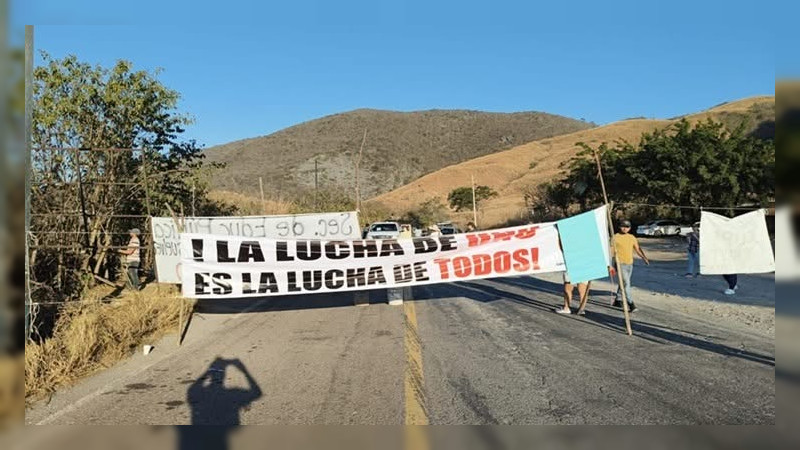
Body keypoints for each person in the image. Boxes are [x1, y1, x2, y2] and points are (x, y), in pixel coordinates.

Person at [611, 219, 649, 312]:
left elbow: (637, 249)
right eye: (623, 226)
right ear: (619, 227)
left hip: (629, 264)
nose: (625, 228)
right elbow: (611, 251)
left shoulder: (631, 237)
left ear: (630, 228)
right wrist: (610, 264)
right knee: (626, 283)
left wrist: (644, 258)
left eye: (627, 227)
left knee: (624, 283)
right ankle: (631, 304)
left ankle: (617, 300)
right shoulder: (615, 237)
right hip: (619, 263)